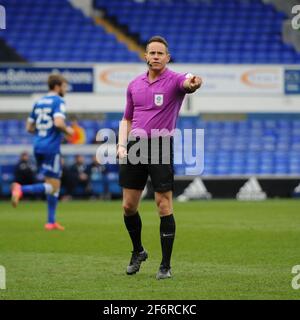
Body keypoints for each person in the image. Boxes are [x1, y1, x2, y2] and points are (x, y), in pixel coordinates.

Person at [117, 36, 202, 280]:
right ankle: (138, 251)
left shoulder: (175, 80)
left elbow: (189, 83)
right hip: (135, 146)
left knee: (163, 205)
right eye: (151, 53)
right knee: (128, 206)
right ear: (145, 56)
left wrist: (195, 82)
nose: (155, 56)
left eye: (160, 53)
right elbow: (127, 119)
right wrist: (122, 145)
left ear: (167, 57)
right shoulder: (134, 85)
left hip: (161, 145)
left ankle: (165, 266)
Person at [11, 74, 74, 231]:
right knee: (53, 186)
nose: (65, 89)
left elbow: (29, 128)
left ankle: (50, 222)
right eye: (64, 86)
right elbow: (59, 123)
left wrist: (43, 133)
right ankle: (21, 189)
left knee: (53, 184)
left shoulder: (38, 102)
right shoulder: (58, 101)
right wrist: (68, 131)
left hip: (38, 145)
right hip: (51, 148)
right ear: (57, 86)